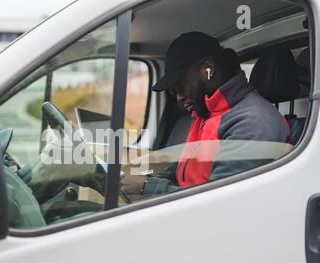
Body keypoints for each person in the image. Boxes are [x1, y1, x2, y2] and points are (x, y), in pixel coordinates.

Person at [122, 31, 290, 198]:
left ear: (208, 69)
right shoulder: (208, 113)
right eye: (174, 91)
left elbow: (219, 200)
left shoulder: (253, 122)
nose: (179, 97)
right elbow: (183, 167)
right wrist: (150, 180)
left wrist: (147, 188)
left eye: (181, 85)